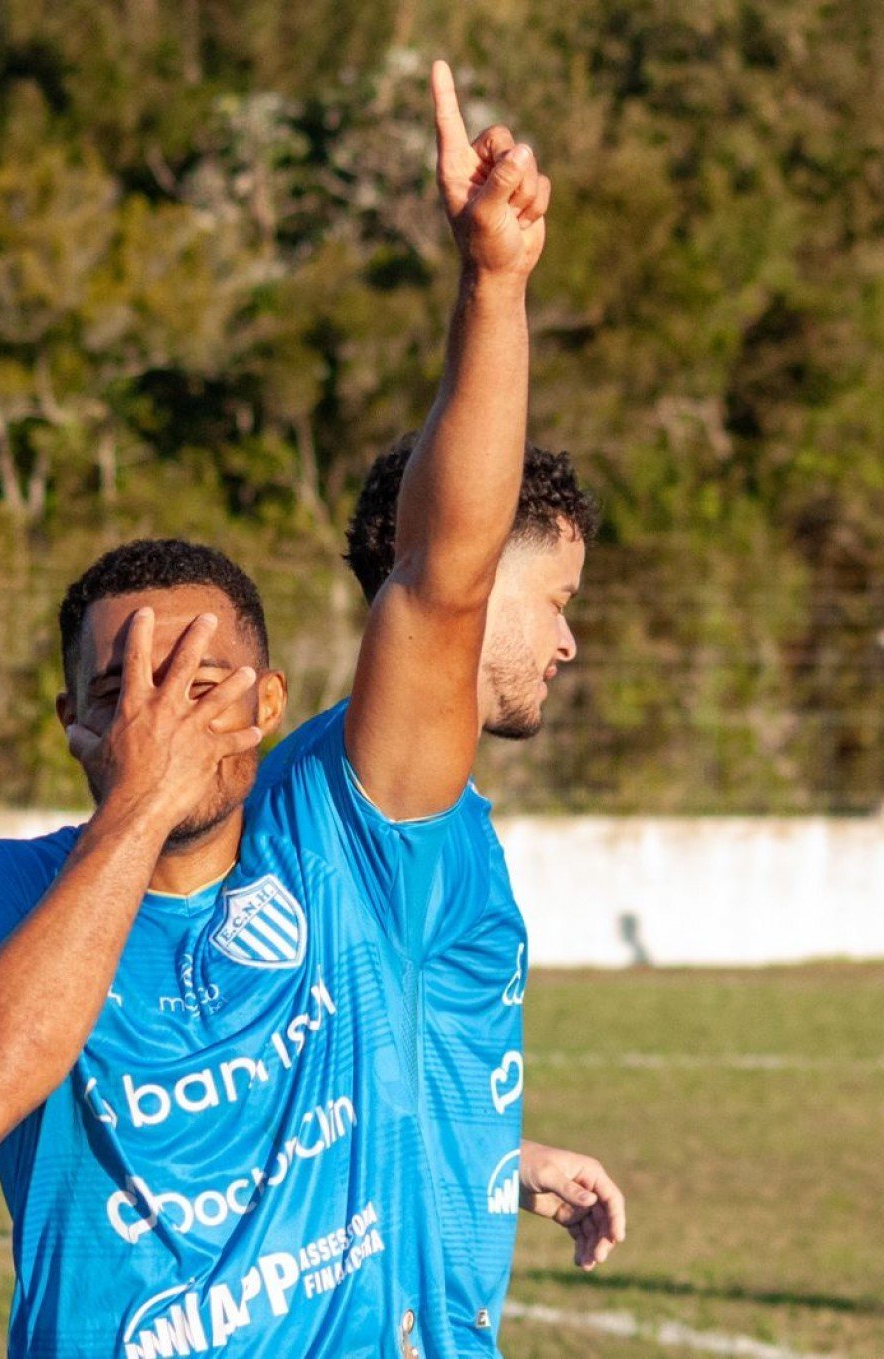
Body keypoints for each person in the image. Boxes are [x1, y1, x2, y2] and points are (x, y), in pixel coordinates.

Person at [0, 61, 619, 1357]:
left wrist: (493, 288)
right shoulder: (2, 894)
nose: (174, 708)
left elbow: (444, 581)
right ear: (71, 717)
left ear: (271, 700)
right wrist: (139, 810)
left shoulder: (339, 832)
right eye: (130, 686)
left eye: (208, 681)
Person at [341, 435, 612, 1352]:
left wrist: (500, 1165)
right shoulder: (384, 797)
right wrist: (497, 293)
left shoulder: (443, 809)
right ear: (474, 579)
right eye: (558, 601)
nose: (569, 640)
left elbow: (359, 1065)